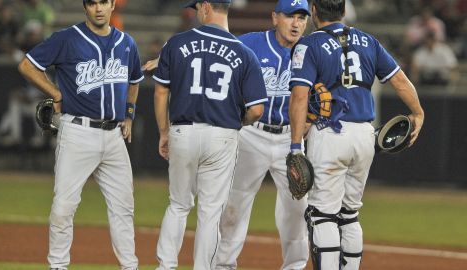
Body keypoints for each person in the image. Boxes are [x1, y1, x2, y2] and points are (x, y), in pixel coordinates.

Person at [289, 0, 424, 270]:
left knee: (322, 215)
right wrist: (418, 112)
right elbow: (398, 80)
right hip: (364, 135)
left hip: (329, 134)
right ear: (343, 12)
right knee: (349, 214)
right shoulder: (368, 41)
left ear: (314, 11)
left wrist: (295, 146)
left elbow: (300, 97)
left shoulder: (309, 44)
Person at [17, 0, 144, 269]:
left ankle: (130, 266)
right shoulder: (67, 39)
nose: (98, 8)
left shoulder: (127, 43)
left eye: (103, 2)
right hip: (77, 131)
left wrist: (129, 114)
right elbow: (27, 65)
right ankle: (58, 266)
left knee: (124, 207)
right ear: (85, 7)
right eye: (92, 3)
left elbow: (134, 81)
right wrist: (56, 93)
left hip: (114, 136)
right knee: (64, 206)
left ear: (113, 6)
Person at [152, 0, 267, 269]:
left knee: (179, 205)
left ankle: (166, 266)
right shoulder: (244, 52)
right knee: (210, 213)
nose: (194, 12)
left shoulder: (177, 43)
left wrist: (163, 132)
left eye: (196, 7)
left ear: (205, 7)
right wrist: (240, 121)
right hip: (222, 135)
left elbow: (160, 92)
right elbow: (258, 110)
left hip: (183, 131)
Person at [215, 0, 310, 269]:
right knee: (234, 204)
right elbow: (215, 57)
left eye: (301, 17)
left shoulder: (310, 51)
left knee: (298, 207)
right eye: (290, 16)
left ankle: (294, 266)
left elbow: (321, 95)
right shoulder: (250, 44)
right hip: (251, 135)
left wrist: (310, 121)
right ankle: (223, 264)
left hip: (290, 141)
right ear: (274, 18)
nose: (296, 23)